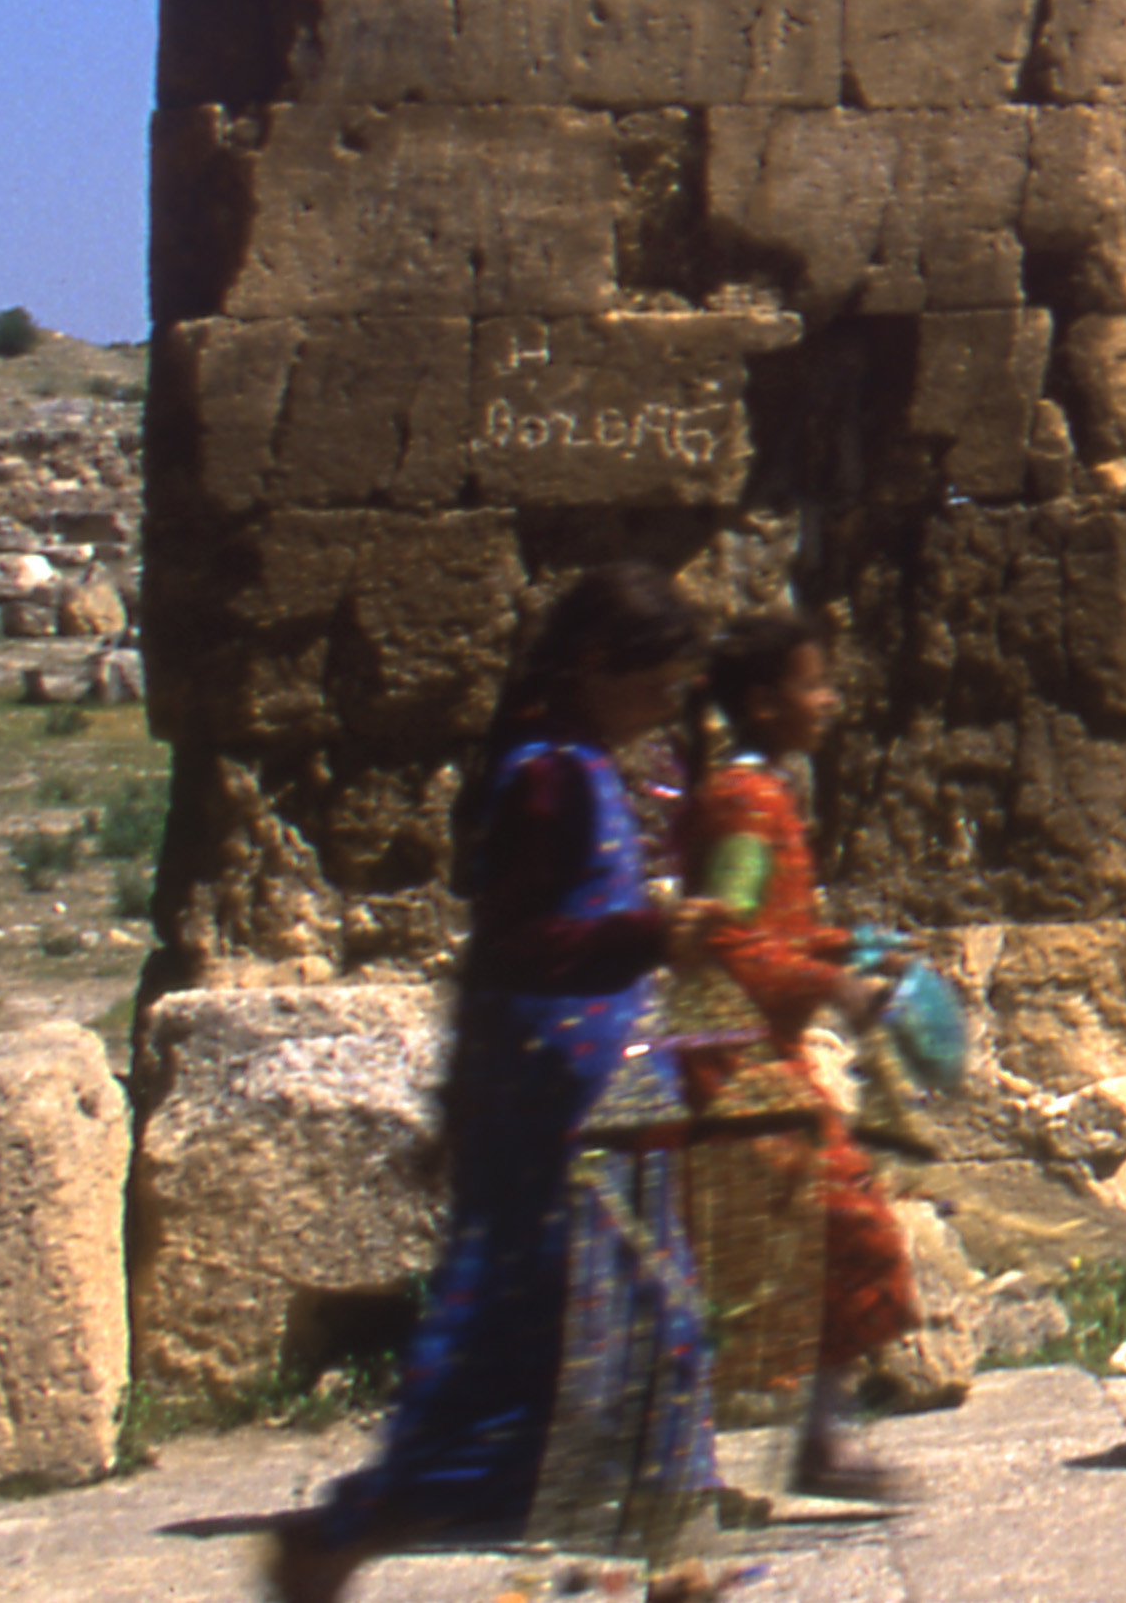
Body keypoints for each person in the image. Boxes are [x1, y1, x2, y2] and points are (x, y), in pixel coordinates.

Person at [271, 562, 721, 1600]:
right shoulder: (548, 777)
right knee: (629, 1312)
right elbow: (523, 940)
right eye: (657, 684)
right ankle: (650, 1543)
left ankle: (645, 1547)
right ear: (601, 666)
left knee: (569, 1324)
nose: (669, 708)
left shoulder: (582, 768)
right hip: (562, 1095)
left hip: (593, 1087)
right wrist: (655, 931)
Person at [677, 609, 924, 1509]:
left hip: (752, 1064)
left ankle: (810, 1434)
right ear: (762, 701)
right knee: (838, 1230)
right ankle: (806, 1439)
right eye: (813, 684)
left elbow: (766, 925)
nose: (828, 701)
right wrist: (834, 986)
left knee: (793, 1243)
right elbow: (729, 942)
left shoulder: (761, 796)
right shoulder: (745, 806)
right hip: (732, 1068)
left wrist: (851, 944)